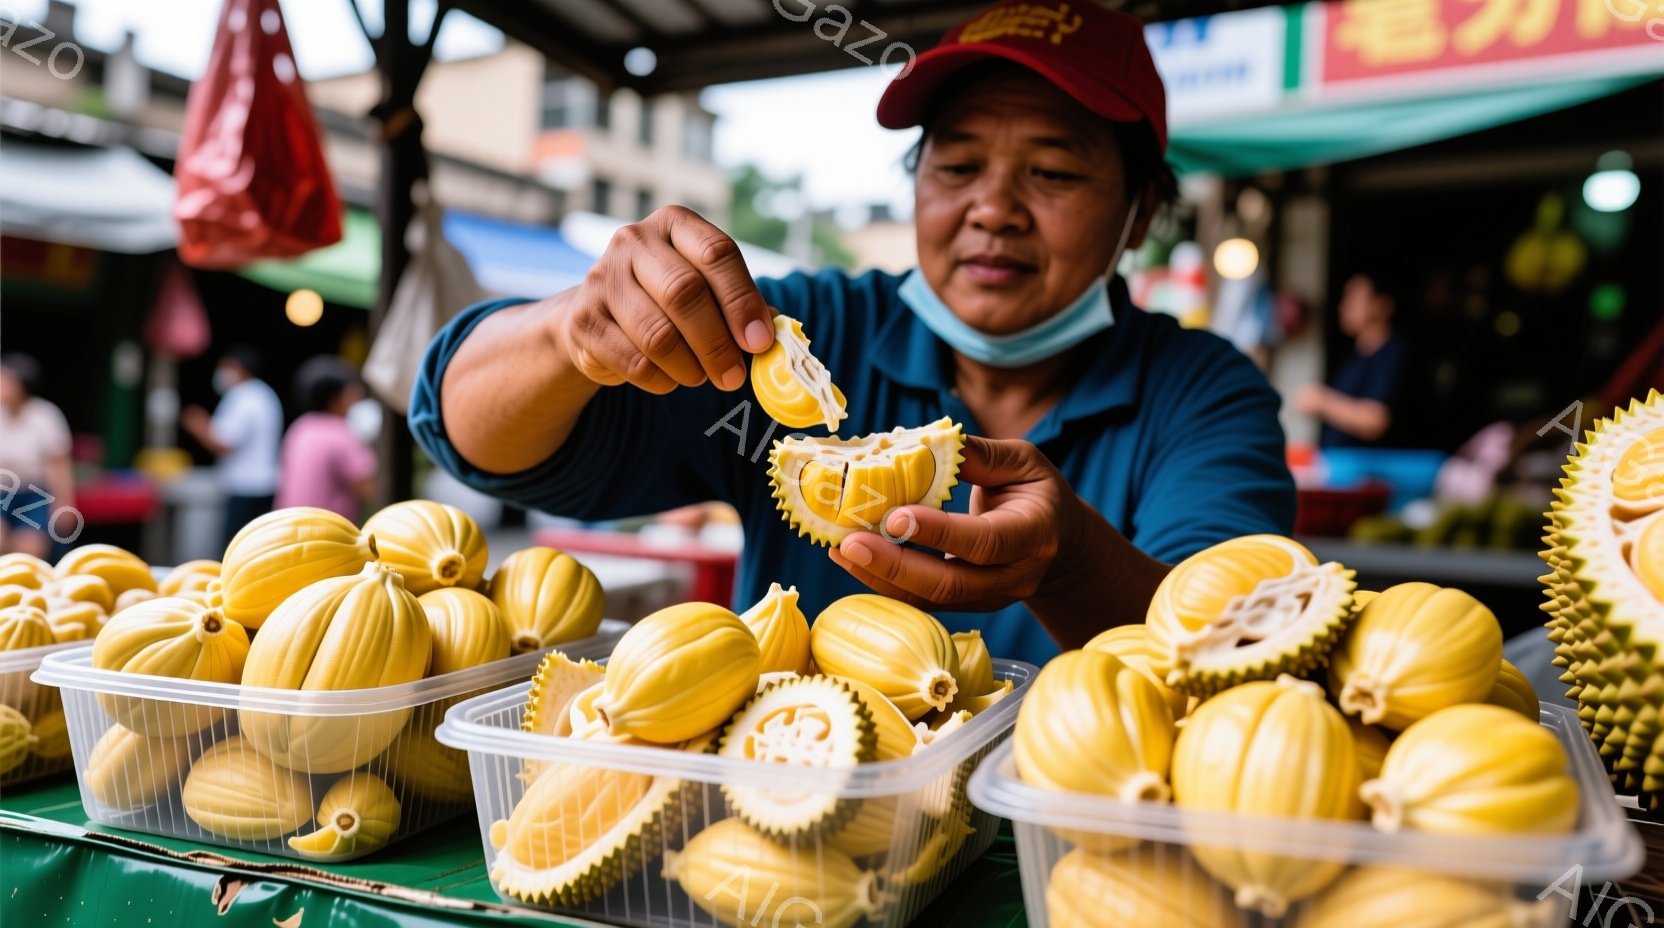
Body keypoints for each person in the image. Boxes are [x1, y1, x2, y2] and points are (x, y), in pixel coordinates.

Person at [411, 0, 1295, 664]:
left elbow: (1230, 644)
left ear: (1140, 213)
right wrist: (573, 332)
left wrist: (1067, 566)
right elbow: (472, 433)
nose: (993, 209)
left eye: (1054, 172)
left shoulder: (1206, 392)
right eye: (956, 166)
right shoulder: (804, 333)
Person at [181, 345, 283, 547]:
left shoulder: (243, 396)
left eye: (226, 367)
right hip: (263, 485)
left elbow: (224, 442)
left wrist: (198, 424)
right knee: (255, 547)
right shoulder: (264, 394)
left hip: (245, 488)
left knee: (235, 547)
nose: (222, 373)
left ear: (241, 368)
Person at [1297, 273, 1408, 448]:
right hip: (1340, 463)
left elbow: (1375, 420)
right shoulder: (1354, 355)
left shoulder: (1395, 353)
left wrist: (1323, 401)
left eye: (1355, 299)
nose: (1344, 307)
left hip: (1378, 469)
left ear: (1382, 305)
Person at [275, 357, 377, 521]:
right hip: (327, 535)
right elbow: (367, 489)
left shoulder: (299, 428)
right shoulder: (342, 433)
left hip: (287, 526)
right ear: (334, 399)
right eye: (350, 394)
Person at [0, 354, 74, 557]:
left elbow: (59, 465)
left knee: (29, 548)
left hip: (34, 493)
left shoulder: (45, 416)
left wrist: (64, 503)